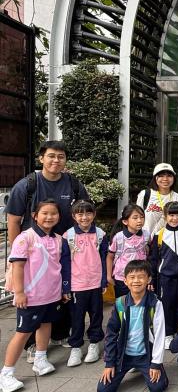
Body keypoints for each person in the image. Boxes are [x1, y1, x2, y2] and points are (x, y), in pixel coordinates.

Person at [5, 140, 89, 351]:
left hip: (64, 250)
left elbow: (84, 212)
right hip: (33, 253)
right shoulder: (26, 185)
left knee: (62, 291)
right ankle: (32, 344)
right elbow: (13, 221)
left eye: (61, 157)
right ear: (41, 158)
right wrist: (16, 255)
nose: (56, 160)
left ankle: (59, 334)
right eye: (51, 156)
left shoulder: (74, 185)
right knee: (32, 297)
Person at [0, 200, 70, 392]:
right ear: (35, 216)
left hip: (51, 294)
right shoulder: (26, 238)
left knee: (46, 325)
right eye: (45, 213)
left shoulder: (58, 239)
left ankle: (40, 359)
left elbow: (59, 267)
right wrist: (19, 292)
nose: (49, 217)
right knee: (23, 333)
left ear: (59, 217)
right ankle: (6, 374)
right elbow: (18, 266)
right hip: (30, 296)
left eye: (53, 213)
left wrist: (63, 290)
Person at [97, 260, 168, 392]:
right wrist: (109, 363)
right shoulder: (120, 303)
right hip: (124, 355)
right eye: (132, 277)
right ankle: (133, 366)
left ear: (148, 279)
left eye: (141, 277)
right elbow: (111, 333)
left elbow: (160, 334)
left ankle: (148, 367)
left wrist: (156, 364)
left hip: (146, 355)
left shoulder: (155, 303)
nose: (136, 281)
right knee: (103, 389)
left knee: (157, 387)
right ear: (125, 281)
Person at [61, 200, 108, 367]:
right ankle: (76, 347)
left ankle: (94, 343)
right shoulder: (68, 236)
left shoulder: (100, 234)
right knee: (77, 317)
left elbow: (104, 259)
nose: (84, 217)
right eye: (80, 214)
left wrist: (104, 280)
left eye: (88, 213)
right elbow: (64, 262)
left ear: (94, 214)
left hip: (95, 283)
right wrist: (65, 286)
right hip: (77, 284)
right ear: (74, 216)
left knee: (96, 315)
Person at [148, 201, 178, 350]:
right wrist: (152, 279)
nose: (175, 218)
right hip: (165, 276)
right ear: (165, 216)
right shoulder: (159, 235)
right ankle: (167, 333)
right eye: (171, 215)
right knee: (166, 304)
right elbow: (154, 259)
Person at [106, 204, 152, 298]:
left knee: (140, 303)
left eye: (142, 217)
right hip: (122, 278)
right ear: (125, 221)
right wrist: (109, 276)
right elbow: (110, 257)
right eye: (135, 218)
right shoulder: (119, 237)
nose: (139, 220)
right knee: (123, 303)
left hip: (141, 277)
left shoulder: (146, 235)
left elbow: (149, 254)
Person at [136, 163, 178, 236]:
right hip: (146, 239)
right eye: (161, 176)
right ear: (155, 178)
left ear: (174, 178)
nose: (165, 179)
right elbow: (137, 217)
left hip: (168, 240)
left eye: (169, 176)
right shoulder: (145, 194)